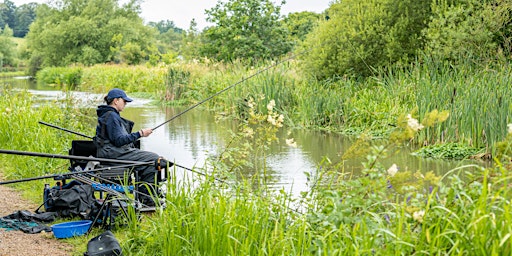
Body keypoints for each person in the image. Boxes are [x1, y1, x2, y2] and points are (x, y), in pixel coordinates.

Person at [93, 88, 169, 207]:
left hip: (111, 151)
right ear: (116, 101)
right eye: (124, 101)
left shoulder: (108, 115)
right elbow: (119, 141)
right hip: (113, 153)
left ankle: (147, 196)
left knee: (149, 160)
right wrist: (140, 134)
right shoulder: (111, 116)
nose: (126, 104)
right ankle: (147, 199)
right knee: (154, 159)